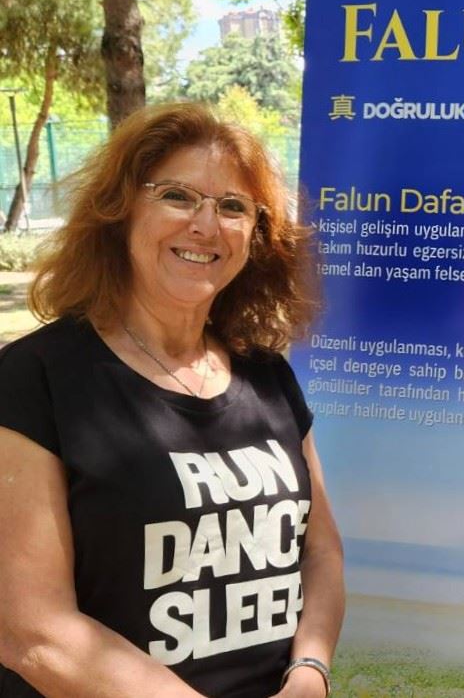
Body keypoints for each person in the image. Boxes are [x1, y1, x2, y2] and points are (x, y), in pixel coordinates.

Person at [0, 103, 344, 698]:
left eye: (233, 207)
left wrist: (310, 670)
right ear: (121, 211)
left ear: (256, 235)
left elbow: (321, 552)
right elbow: (31, 631)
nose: (206, 226)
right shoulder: (36, 377)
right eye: (177, 196)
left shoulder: (268, 375)